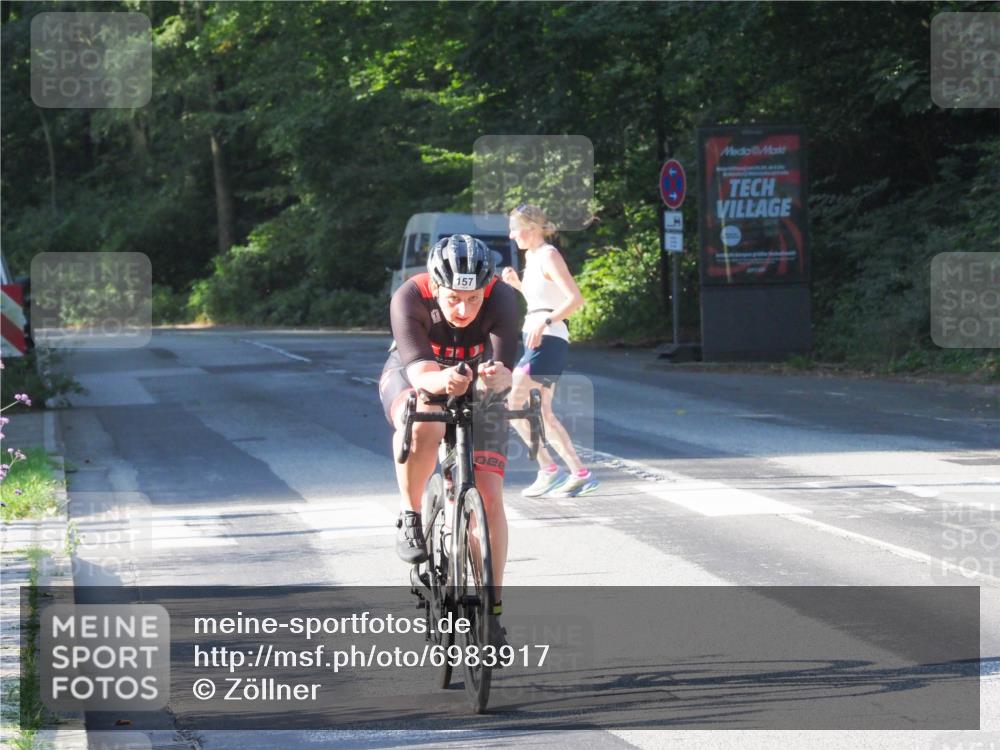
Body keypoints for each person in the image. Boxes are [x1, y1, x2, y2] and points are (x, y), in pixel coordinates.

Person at [379, 234, 518, 638]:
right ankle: (410, 514)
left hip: (473, 378)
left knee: (489, 496)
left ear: (486, 288)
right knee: (424, 418)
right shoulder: (409, 296)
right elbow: (422, 374)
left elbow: (506, 370)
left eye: (473, 299)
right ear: (436, 286)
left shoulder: (503, 298)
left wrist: (497, 376)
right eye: (454, 298)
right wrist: (446, 380)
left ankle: (492, 610)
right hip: (417, 373)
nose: (463, 309)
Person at [502, 204, 598, 498]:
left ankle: (550, 469)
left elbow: (574, 299)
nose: (510, 235)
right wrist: (517, 285)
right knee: (541, 411)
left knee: (513, 402)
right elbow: (541, 298)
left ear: (530, 229)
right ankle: (577, 473)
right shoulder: (531, 258)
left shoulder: (549, 255)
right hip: (542, 336)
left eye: (514, 228)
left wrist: (545, 322)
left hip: (549, 339)